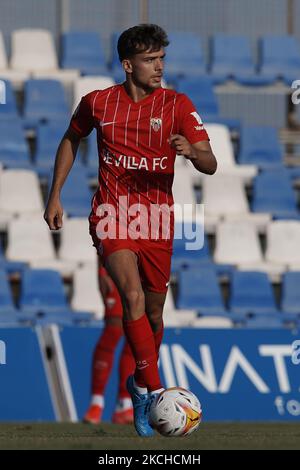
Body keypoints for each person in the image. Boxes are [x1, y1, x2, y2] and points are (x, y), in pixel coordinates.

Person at [44, 23, 217, 437]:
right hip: (112, 214)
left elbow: (211, 163)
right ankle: (156, 393)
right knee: (131, 297)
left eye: (161, 59)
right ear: (127, 64)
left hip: (157, 220)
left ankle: (138, 385)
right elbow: (71, 138)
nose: (159, 67)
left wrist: (192, 152)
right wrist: (55, 196)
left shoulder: (177, 104)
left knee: (154, 314)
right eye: (149, 60)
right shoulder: (98, 103)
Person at [83, 260, 135, 425]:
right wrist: (102, 270)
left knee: (135, 335)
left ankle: (124, 404)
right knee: (114, 328)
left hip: (143, 264)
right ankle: (96, 403)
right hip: (116, 263)